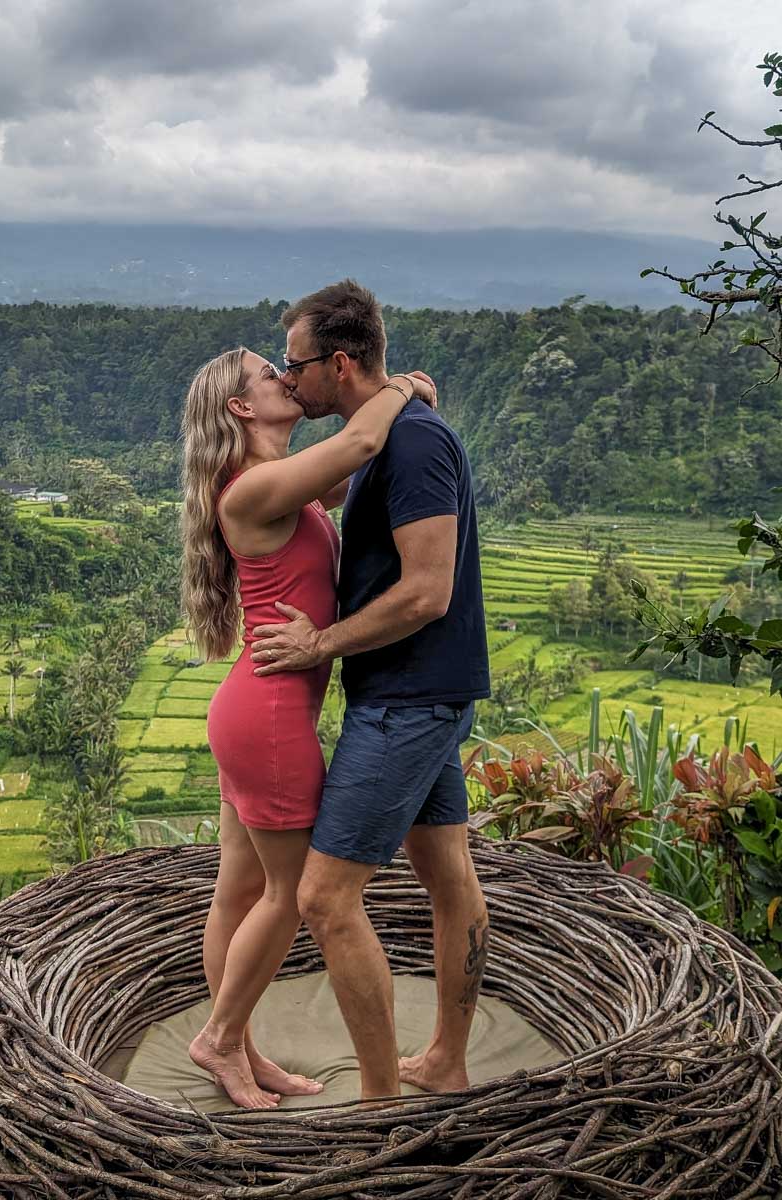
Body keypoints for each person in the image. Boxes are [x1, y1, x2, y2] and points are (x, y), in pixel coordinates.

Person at [250, 279, 491, 1101]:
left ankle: (382, 1102)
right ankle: (447, 1063)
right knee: (446, 869)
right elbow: (322, 485)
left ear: (339, 363)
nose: (289, 379)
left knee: (323, 897)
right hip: (421, 691)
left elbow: (427, 590)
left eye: (296, 365)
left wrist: (320, 642)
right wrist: (395, 393)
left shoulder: (416, 444)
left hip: (409, 699)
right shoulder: (383, 432)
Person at [180, 344, 436, 1109]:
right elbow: (359, 442)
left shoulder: (275, 488)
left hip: (249, 707)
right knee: (290, 895)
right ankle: (221, 1041)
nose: (286, 379)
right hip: (269, 718)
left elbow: (360, 473)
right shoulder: (252, 489)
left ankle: (242, 1052)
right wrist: (400, 388)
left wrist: (403, 415)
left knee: (239, 890)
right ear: (241, 408)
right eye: (270, 375)